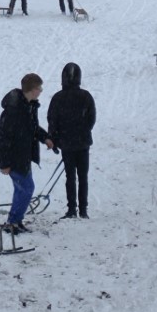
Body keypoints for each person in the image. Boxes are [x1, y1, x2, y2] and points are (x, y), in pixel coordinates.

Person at [0, 72, 54, 233]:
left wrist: (45, 138)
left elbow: (32, 127)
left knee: (22, 189)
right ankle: (13, 222)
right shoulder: (13, 110)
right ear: (32, 90)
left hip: (24, 156)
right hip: (14, 158)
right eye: (39, 88)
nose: (41, 91)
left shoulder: (29, 106)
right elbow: (2, 138)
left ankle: (15, 221)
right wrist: (4, 163)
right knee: (27, 188)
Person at [47, 62, 96, 219]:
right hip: (82, 143)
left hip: (67, 143)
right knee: (83, 177)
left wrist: (54, 139)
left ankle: (72, 209)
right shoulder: (86, 96)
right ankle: (83, 210)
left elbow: (52, 121)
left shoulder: (58, 98)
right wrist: (83, 131)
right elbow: (91, 119)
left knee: (70, 177)